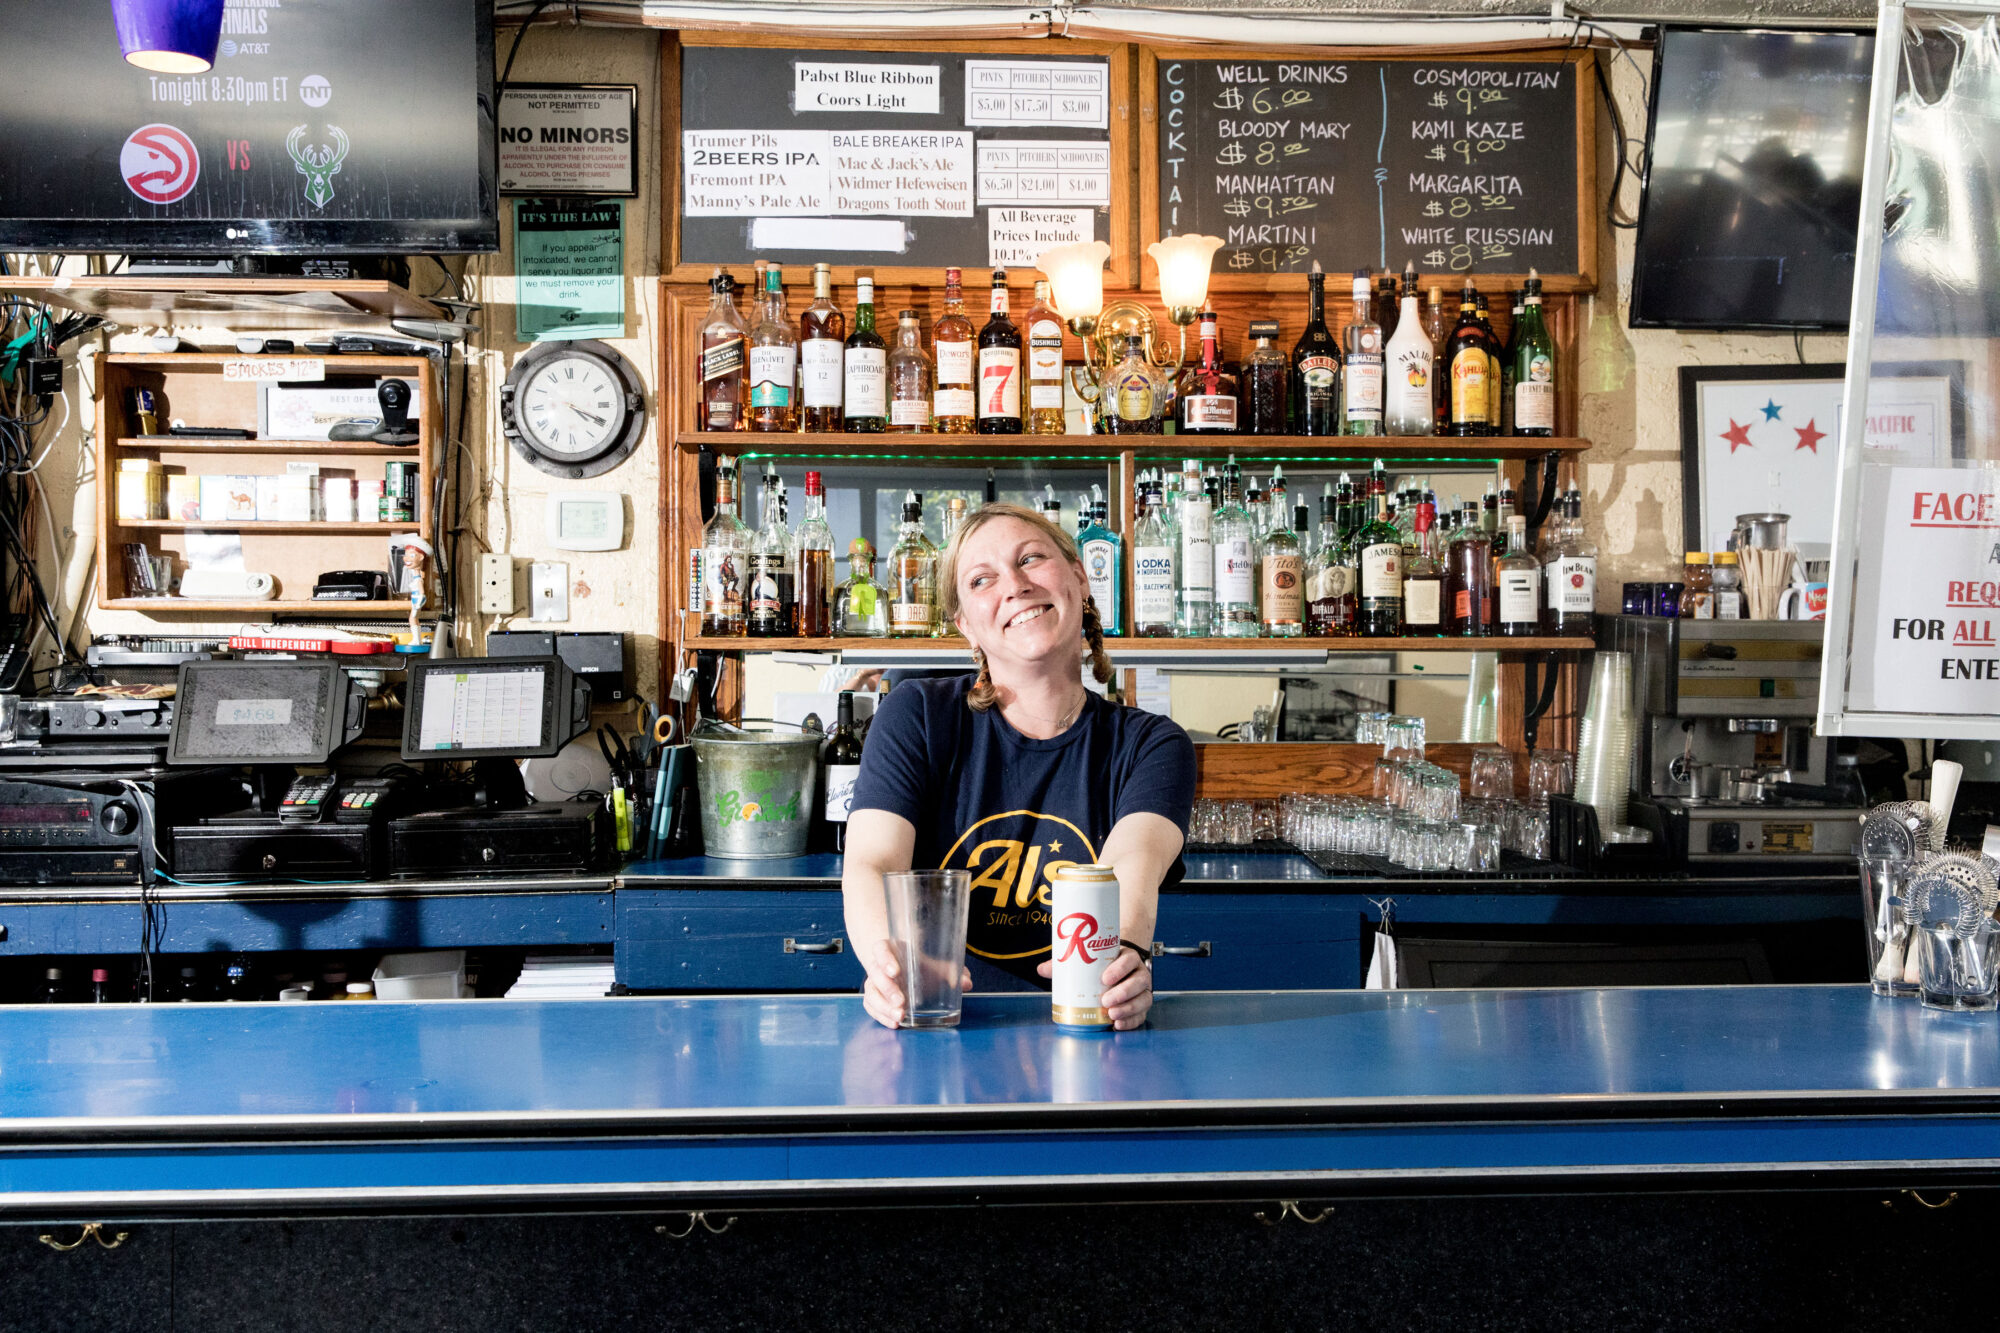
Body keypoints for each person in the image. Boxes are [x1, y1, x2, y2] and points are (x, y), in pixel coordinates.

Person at [842, 502, 1195, 1031]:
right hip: (939, 1023)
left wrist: (1119, 966)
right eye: (982, 579)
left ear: (1079, 579)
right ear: (966, 625)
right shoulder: (917, 715)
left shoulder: (1152, 745)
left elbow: (1128, 875)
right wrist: (888, 964)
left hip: (1082, 1023)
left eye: (1031, 560)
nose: (1014, 585)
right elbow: (871, 863)